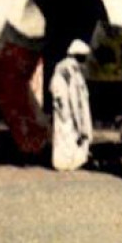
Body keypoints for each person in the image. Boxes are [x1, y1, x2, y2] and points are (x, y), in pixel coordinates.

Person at [50, 39, 94, 171]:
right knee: (66, 134)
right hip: (66, 108)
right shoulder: (65, 69)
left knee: (73, 135)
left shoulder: (74, 70)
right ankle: (64, 164)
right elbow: (60, 89)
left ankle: (75, 161)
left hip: (73, 107)